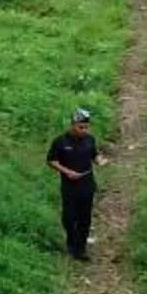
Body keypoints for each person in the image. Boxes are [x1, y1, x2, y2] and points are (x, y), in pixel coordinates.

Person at [47, 107, 101, 260]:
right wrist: (66, 171)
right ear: (72, 125)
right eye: (80, 127)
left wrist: (99, 160)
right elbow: (51, 160)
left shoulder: (90, 140)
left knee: (85, 218)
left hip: (87, 184)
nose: (83, 130)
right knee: (69, 218)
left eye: (86, 127)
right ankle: (71, 241)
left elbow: (94, 155)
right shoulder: (60, 141)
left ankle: (80, 249)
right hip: (70, 187)